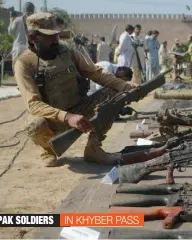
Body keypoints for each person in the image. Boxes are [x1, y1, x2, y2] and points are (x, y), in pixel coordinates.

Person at [14, 13, 166, 167]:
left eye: (56, 35)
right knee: (34, 125)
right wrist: (67, 117)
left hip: (80, 108)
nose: (55, 40)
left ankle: (94, 149)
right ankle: (48, 149)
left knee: (114, 93)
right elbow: (34, 104)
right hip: (53, 120)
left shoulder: (67, 50)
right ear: (33, 38)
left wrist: (126, 87)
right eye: (49, 37)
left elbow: (95, 73)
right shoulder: (24, 64)